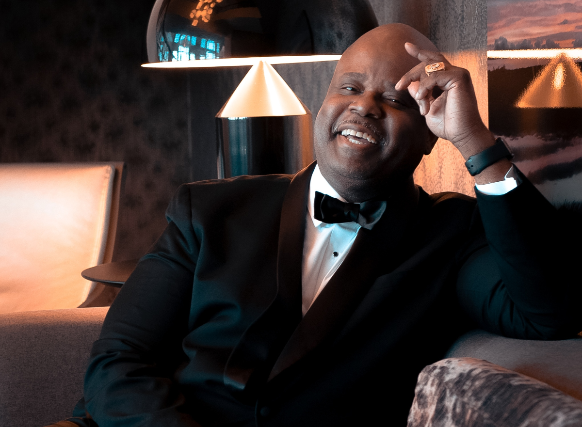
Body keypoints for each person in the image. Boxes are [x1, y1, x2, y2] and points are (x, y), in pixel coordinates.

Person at [59, 24, 580, 427]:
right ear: (322, 104)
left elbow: (549, 312)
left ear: (429, 134)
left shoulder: (449, 233)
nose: (364, 107)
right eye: (349, 86)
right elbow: (119, 361)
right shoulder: (209, 209)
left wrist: (475, 142)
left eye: (395, 100)